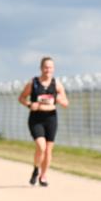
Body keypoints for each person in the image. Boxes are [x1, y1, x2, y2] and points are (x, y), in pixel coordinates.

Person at [18, 56, 69, 187]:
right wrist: (30, 104)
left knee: (48, 150)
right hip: (36, 118)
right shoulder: (33, 83)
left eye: (50, 67)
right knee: (41, 146)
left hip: (51, 118)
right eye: (46, 67)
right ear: (41, 68)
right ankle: (36, 169)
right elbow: (21, 98)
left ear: (53, 69)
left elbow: (66, 103)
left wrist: (59, 100)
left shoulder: (57, 84)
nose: (48, 70)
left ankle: (43, 175)